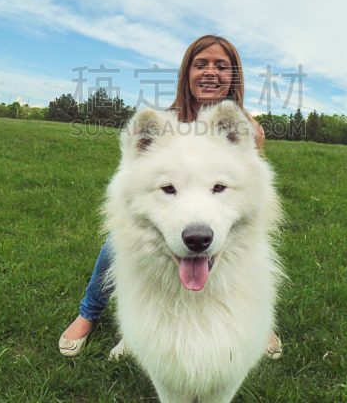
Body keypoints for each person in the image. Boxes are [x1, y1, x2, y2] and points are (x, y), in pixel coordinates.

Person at [58, 35, 282, 359]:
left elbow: (249, 185)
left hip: (214, 212)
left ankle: (258, 319)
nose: (210, 72)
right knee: (115, 243)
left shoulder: (244, 126)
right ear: (186, 72)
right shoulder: (167, 119)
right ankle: (91, 314)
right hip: (169, 210)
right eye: (200, 64)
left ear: (234, 76)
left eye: (222, 66)